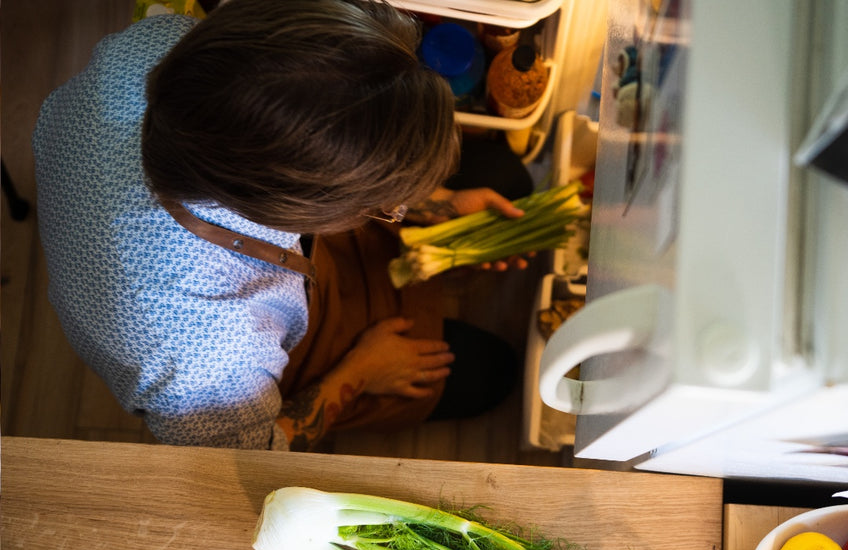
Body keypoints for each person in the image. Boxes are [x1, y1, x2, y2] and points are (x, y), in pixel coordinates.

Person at [34, 0, 532, 451]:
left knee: (508, 178)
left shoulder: (162, 47)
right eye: (376, 205)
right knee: (492, 373)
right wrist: (358, 373)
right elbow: (253, 452)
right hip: (227, 336)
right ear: (299, 211)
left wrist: (436, 205)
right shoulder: (208, 354)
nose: (392, 207)